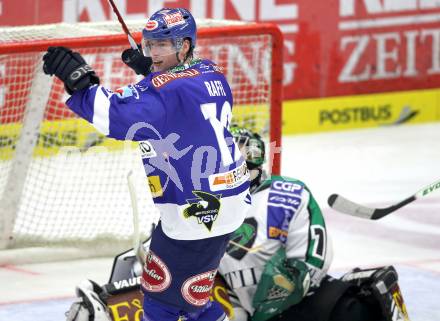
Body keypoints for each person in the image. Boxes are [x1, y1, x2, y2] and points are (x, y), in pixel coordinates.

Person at [44, 7, 251, 321]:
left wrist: (79, 82)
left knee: (161, 304)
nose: (153, 52)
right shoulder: (213, 73)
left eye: (162, 45)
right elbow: (182, 101)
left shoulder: (163, 90)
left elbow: (116, 117)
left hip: (195, 214)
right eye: (149, 44)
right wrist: (151, 73)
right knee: (192, 301)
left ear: (184, 45)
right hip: (229, 203)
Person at [217, 125, 410, 321]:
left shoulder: (285, 192)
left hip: (319, 305)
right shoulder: (208, 216)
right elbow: (223, 294)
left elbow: (313, 261)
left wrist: (269, 310)